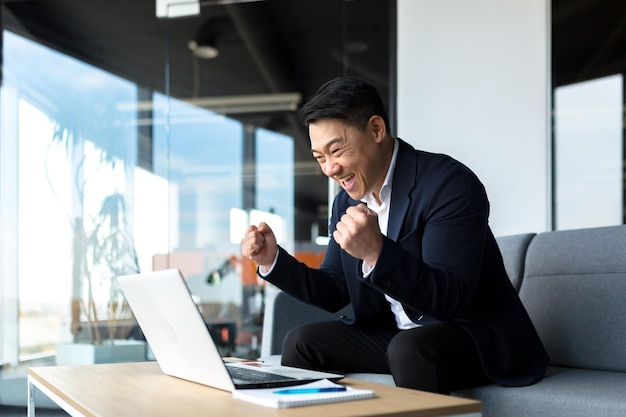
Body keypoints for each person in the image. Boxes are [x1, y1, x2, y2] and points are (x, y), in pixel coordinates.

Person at [240, 76, 549, 394]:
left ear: (376, 130)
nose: (330, 169)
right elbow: (335, 290)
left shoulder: (448, 184)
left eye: (336, 151)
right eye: (320, 157)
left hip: (473, 335)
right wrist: (273, 261)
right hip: (398, 335)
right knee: (301, 342)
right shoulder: (345, 202)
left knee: (410, 349)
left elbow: (450, 300)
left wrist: (377, 253)